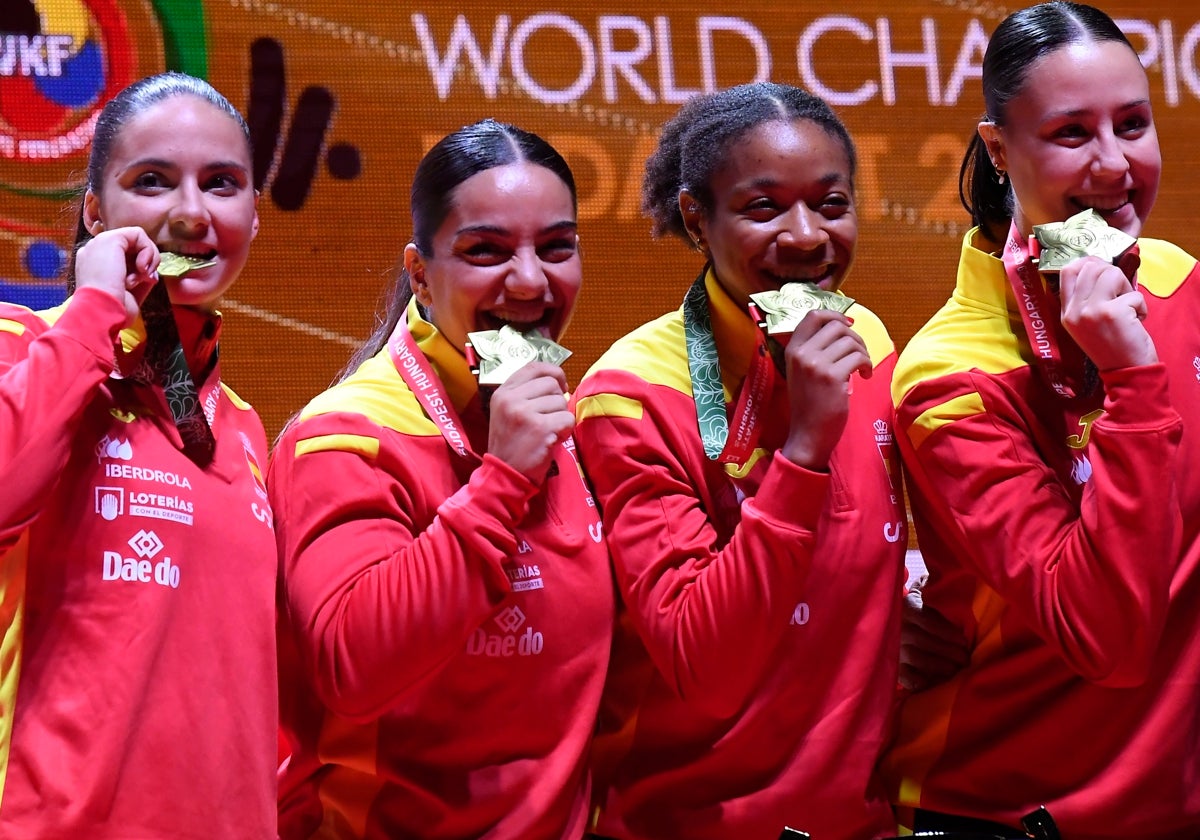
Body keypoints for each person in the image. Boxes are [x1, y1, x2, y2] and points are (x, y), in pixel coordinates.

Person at [880, 3, 1200, 836]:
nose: (1115, 165)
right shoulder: (949, 377)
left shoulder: (1179, 282)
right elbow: (1110, 642)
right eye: (1071, 133)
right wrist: (1132, 375)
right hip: (1003, 812)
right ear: (997, 149)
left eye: (1133, 124)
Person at [572, 82, 908, 840]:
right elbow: (704, 660)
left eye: (831, 204)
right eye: (764, 209)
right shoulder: (630, 395)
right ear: (698, 217)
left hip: (863, 825)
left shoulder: (870, 341)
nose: (806, 238)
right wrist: (805, 451)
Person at [271, 119, 613, 839]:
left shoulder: (570, 430)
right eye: (484, 251)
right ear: (421, 272)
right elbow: (352, 667)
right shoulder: (346, 436)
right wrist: (504, 478)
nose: (529, 280)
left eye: (556, 248)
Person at [0, 72, 277, 836]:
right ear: (95, 213)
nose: (191, 213)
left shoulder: (247, 431)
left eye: (222, 185)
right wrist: (94, 312)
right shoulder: (20, 347)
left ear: (254, 215)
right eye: (152, 181)